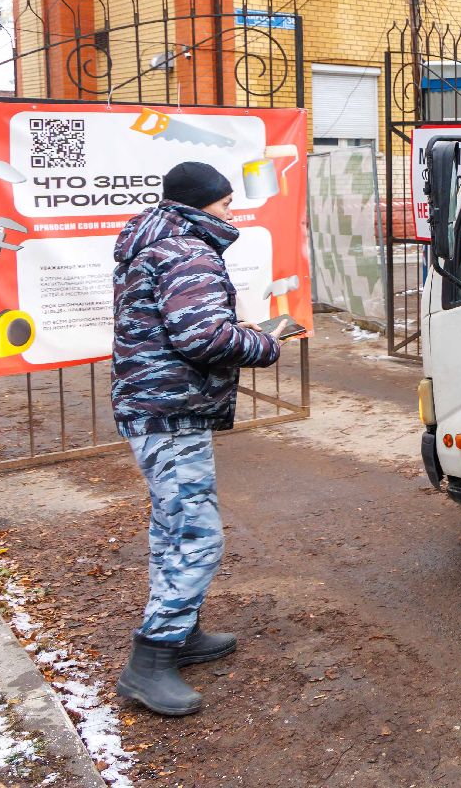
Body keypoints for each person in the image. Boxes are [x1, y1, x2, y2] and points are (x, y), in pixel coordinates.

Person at [111, 161, 281, 717]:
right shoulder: (187, 251)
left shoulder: (152, 242)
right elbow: (204, 337)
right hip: (170, 410)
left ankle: (178, 633)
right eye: (227, 203)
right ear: (204, 204)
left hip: (157, 407)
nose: (232, 211)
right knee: (195, 534)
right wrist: (264, 343)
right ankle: (151, 660)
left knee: (171, 526)